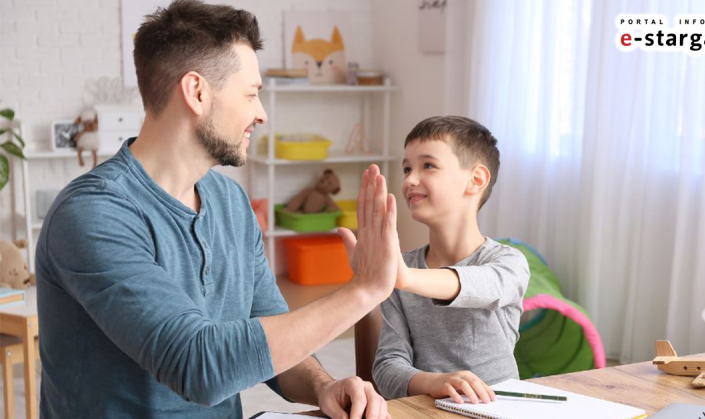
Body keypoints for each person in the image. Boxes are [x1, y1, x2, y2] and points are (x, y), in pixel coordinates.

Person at [35, 1, 399, 418]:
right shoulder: (92, 214)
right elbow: (198, 366)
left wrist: (324, 386)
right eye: (251, 94)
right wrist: (365, 289)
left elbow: (273, 341)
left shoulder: (230, 202)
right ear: (197, 92)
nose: (261, 114)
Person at [365, 116, 530, 401]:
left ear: (475, 180)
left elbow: (483, 286)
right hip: (424, 409)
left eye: (427, 165)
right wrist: (433, 382)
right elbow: (387, 368)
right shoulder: (401, 272)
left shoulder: (508, 262)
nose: (410, 179)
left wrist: (403, 277)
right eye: (407, 169)